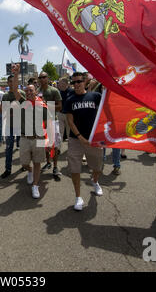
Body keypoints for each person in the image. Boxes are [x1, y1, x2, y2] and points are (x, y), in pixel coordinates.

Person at [63, 72, 104, 211]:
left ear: (85, 81)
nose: (76, 84)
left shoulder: (95, 96)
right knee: (75, 169)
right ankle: (78, 197)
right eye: (73, 82)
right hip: (76, 139)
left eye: (79, 81)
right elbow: (70, 121)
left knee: (97, 167)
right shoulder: (70, 99)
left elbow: (104, 113)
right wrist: (80, 137)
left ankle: (95, 181)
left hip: (94, 139)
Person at [11, 64, 48, 199]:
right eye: (27, 91)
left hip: (38, 137)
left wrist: (49, 140)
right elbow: (15, 89)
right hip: (25, 138)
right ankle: (29, 171)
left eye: (31, 91)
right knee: (24, 163)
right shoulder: (23, 102)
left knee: (37, 162)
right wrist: (16, 74)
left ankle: (35, 186)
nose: (29, 93)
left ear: (35, 92)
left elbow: (48, 123)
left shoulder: (42, 105)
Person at [37, 71, 63, 180]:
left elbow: (60, 106)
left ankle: (55, 166)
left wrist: (46, 105)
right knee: (44, 145)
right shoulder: (37, 91)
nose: (42, 79)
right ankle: (48, 162)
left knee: (54, 145)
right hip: (40, 122)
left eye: (44, 77)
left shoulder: (54, 90)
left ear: (48, 78)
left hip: (52, 121)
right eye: (40, 77)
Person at [0, 75, 25, 178]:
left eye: (13, 81)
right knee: (9, 148)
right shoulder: (5, 95)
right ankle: (8, 169)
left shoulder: (21, 93)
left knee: (23, 148)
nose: (12, 83)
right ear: (8, 83)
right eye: (10, 81)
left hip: (21, 125)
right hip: (10, 126)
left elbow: (26, 108)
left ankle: (24, 165)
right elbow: (3, 111)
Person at [57, 77, 74, 141]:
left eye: (60, 83)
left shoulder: (72, 92)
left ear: (64, 83)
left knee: (69, 132)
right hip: (60, 114)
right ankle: (58, 149)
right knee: (59, 132)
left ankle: (70, 148)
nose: (58, 84)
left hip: (69, 115)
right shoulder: (58, 92)